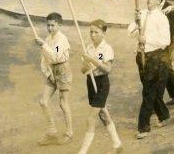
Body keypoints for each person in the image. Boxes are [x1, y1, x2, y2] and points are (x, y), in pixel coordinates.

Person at [128, 0, 171, 139]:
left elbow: (165, 41)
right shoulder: (142, 13)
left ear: (159, 1)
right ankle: (164, 115)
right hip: (141, 56)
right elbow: (130, 32)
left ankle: (143, 127)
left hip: (154, 57)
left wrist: (147, 40)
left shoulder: (162, 18)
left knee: (148, 92)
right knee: (149, 88)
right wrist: (136, 23)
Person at [78, 19, 122, 153]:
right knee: (103, 114)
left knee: (91, 119)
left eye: (96, 32)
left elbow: (107, 69)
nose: (92, 35)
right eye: (91, 32)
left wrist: (92, 60)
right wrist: (85, 64)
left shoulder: (107, 49)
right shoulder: (88, 48)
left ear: (103, 33)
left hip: (102, 83)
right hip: (91, 82)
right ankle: (117, 145)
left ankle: (82, 152)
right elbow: (83, 70)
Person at [35, 13, 73, 145]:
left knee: (63, 103)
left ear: (59, 25)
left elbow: (56, 56)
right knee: (43, 102)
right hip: (51, 71)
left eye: (52, 25)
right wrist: (48, 74)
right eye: (48, 25)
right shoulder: (48, 39)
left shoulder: (61, 40)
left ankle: (69, 133)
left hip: (63, 71)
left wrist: (43, 45)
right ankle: (52, 132)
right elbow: (45, 59)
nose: (50, 28)